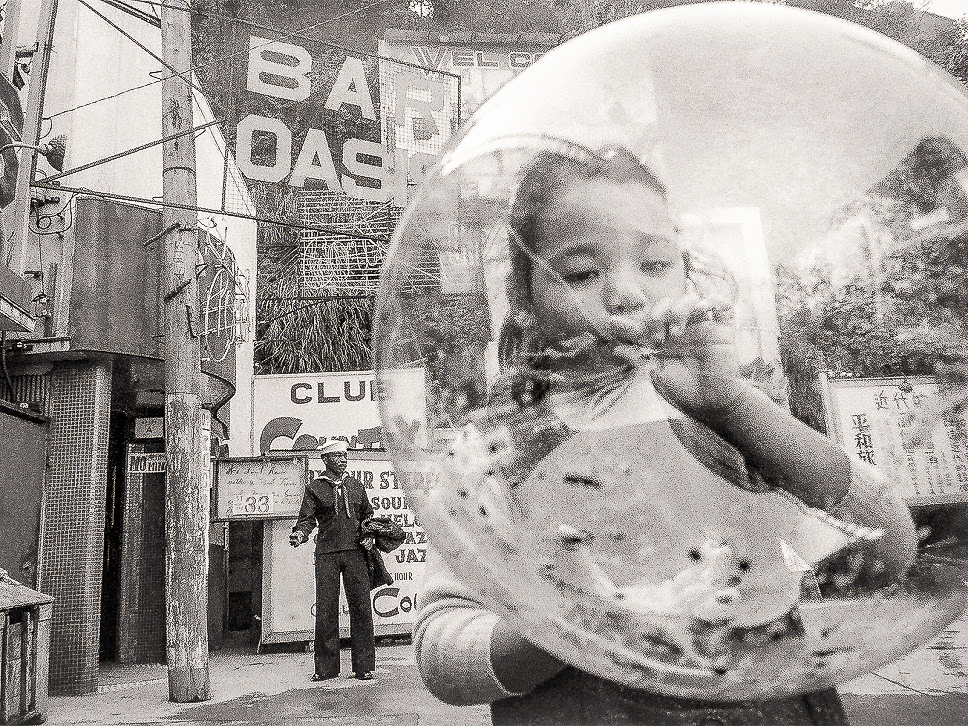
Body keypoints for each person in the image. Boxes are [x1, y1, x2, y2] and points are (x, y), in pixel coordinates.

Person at [413, 144, 918, 725]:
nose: (626, 292)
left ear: (685, 270)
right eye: (581, 271)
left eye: (654, 264)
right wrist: (583, 620)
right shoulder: (503, 449)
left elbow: (888, 547)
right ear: (525, 296)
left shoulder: (724, 423)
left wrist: (732, 403)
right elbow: (443, 652)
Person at [290, 438, 377, 681]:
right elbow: (306, 518)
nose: (343, 460)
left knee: (361, 607)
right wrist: (300, 534)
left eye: (345, 456)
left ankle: (364, 666)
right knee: (326, 609)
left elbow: (368, 516)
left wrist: (369, 535)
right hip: (327, 553)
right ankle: (326, 669)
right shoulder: (315, 488)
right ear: (325, 460)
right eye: (337, 456)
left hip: (355, 553)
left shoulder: (357, 486)